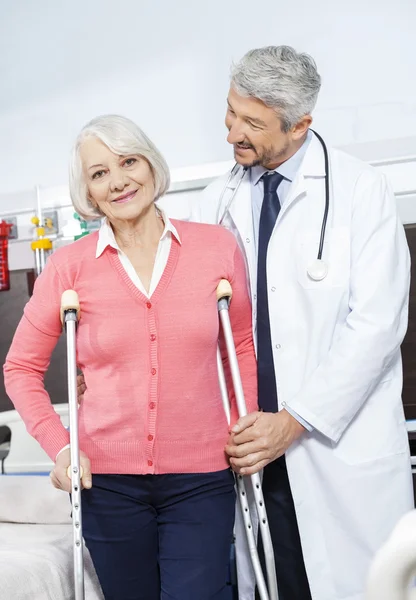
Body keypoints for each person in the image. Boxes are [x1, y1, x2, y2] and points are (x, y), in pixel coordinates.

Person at [188, 45, 414, 600]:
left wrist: (292, 422)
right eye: (230, 111)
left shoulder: (361, 191)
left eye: (252, 123)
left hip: (332, 444)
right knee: (276, 581)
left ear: (300, 125)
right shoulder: (214, 202)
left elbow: (377, 327)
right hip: (251, 450)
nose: (231, 132)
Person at [3, 114, 258, 600]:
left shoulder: (215, 248)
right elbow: (20, 368)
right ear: (89, 193)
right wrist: (61, 447)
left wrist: (242, 425)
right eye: (100, 173)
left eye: (128, 161)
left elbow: (239, 346)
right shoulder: (69, 267)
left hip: (202, 477)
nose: (119, 181)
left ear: (150, 165)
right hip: (107, 482)